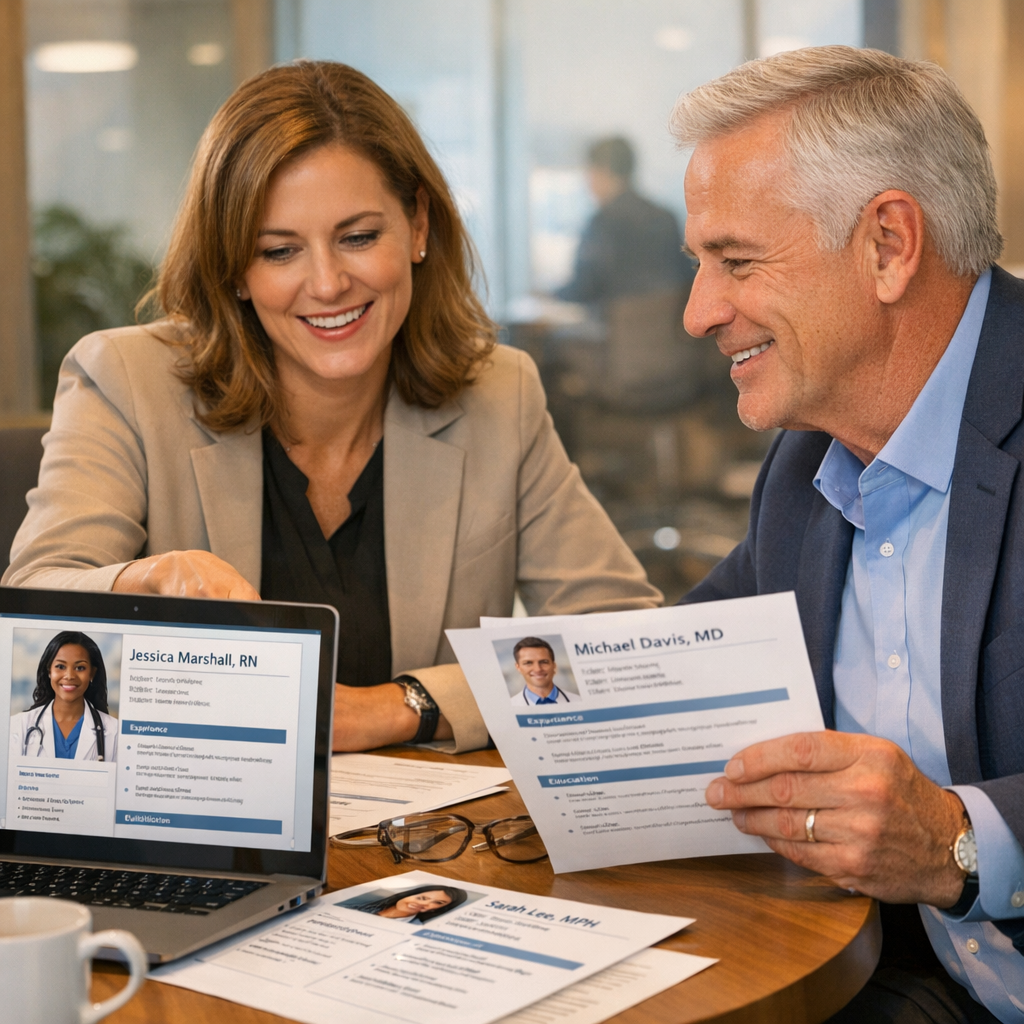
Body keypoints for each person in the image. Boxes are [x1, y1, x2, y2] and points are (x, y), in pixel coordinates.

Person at [3, 62, 661, 756]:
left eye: (357, 237)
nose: (326, 283)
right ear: (236, 272)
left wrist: (401, 707)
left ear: (417, 226)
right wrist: (145, 578)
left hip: (424, 840)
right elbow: (32, 614)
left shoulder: (499, 395)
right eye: (279, 250)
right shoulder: (126, 381)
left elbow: (624, 647)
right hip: (196, 838)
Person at [673, 46, 1023, 1023]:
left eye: (735, 261)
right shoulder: (804, 465)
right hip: (917, 983)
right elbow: (677, 656)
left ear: (886, 244)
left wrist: (957, 838)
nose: (698, 312)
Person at [555, 136, 692, 306]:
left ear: (603, 171)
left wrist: (551, 295)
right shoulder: (665, 217)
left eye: (589, 172)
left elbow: (584, 287)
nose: (588, 183)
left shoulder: (602, 223)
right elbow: (687, 275)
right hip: (667, 328)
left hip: (612, 329)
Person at [11, 631, 118, 762]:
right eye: (60, 666)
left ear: (92, 673)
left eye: (80, 668)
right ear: (49, 670)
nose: (69, 676)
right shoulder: (18, 726)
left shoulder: (115, 732)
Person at [347, 884, 466, 924]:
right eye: (422, 897)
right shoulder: (362, 902)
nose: (422, 903)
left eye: (438, 903)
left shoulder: (415, 928)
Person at [510, 637, 576, 705]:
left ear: (554, 665)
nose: (538, 669)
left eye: (544, 662)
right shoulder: (510, 706)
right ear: (518, 667)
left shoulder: (577, 700)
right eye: (528, 663)